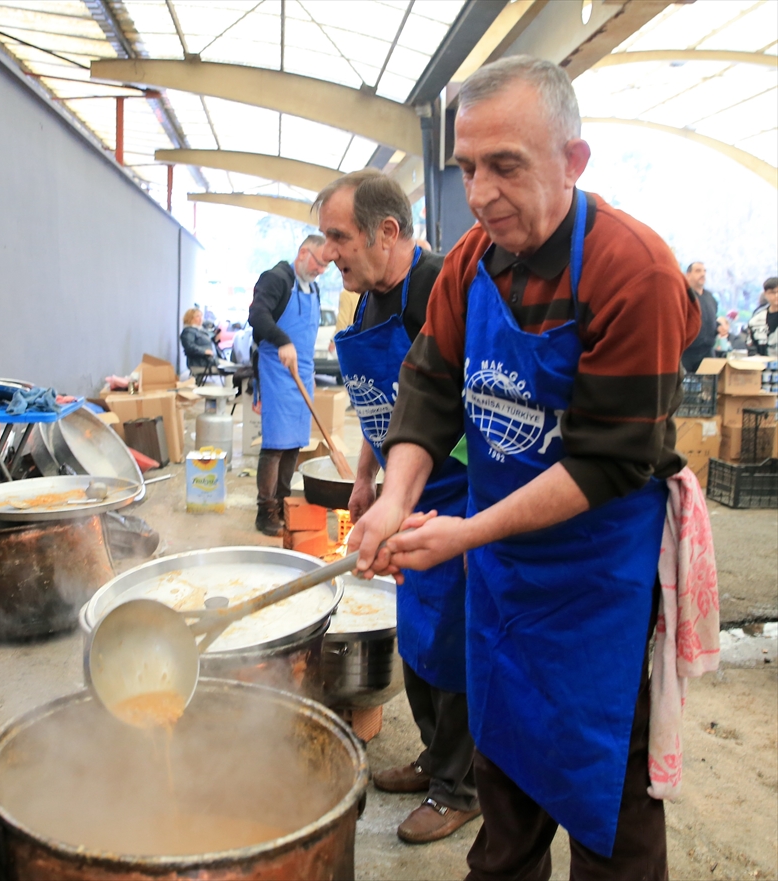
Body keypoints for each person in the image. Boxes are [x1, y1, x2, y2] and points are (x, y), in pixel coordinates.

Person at [348, 57, 701, 878]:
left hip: (595, 591)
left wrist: (469, 529)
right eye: (468, 167)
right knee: (504, 793)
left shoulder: (632, 270)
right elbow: (429, 385)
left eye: (506, 165)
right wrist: (394, 496)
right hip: (505, 583)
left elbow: (610, 461)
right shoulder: (472, 263)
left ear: (573, 161)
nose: (480, 193)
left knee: (608, 813)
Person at [317, 169, 477, 842]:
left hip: (455, 494)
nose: (329, 252)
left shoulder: (443, 287)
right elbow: (379, 398)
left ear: (386, 231)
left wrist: (472, 513)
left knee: (454, 640)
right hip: (400, 490)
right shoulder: (365, 305)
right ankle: (434, 756)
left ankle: (460, 788)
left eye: (338, 236)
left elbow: (459, 403)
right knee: (414, 635)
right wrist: (364, 475)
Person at [248, 234, 328, 535]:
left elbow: (306, 339)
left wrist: (312, 376)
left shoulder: (315, 288)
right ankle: (265, 509)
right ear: (303, 252)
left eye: (326, 266)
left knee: (295, 443)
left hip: (302, 372)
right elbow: (257, 316)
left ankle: (283, 500)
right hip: (276, 368)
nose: (321, 270)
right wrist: (281, 340)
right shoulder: (278, 278)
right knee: (275, 444)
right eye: (319, 263)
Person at [681, 261, 717, 373]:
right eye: (698, 271)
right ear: (688, 275)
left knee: (709, 386)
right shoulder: (683, 296)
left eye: (704, 271)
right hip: (687, 352)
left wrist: (719, 326)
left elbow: (712, 320)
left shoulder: (710, 298)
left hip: (707, 352)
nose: (702, 274)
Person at [746, 276, 778, 356]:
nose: (777, 295)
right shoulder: (757, 318)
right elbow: (751, 344)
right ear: (765, 294)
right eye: (772, 292)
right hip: (762, 364)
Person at [180, 307, 217, 371]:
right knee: (231, 370)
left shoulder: (198, 330)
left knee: (231, 368)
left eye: (201, 316)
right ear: (190, 319)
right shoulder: (188, 331)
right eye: (197, 316)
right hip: (200, 363)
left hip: (208, 361)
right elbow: (189, 347)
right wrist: (205, 351)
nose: (201, 319)